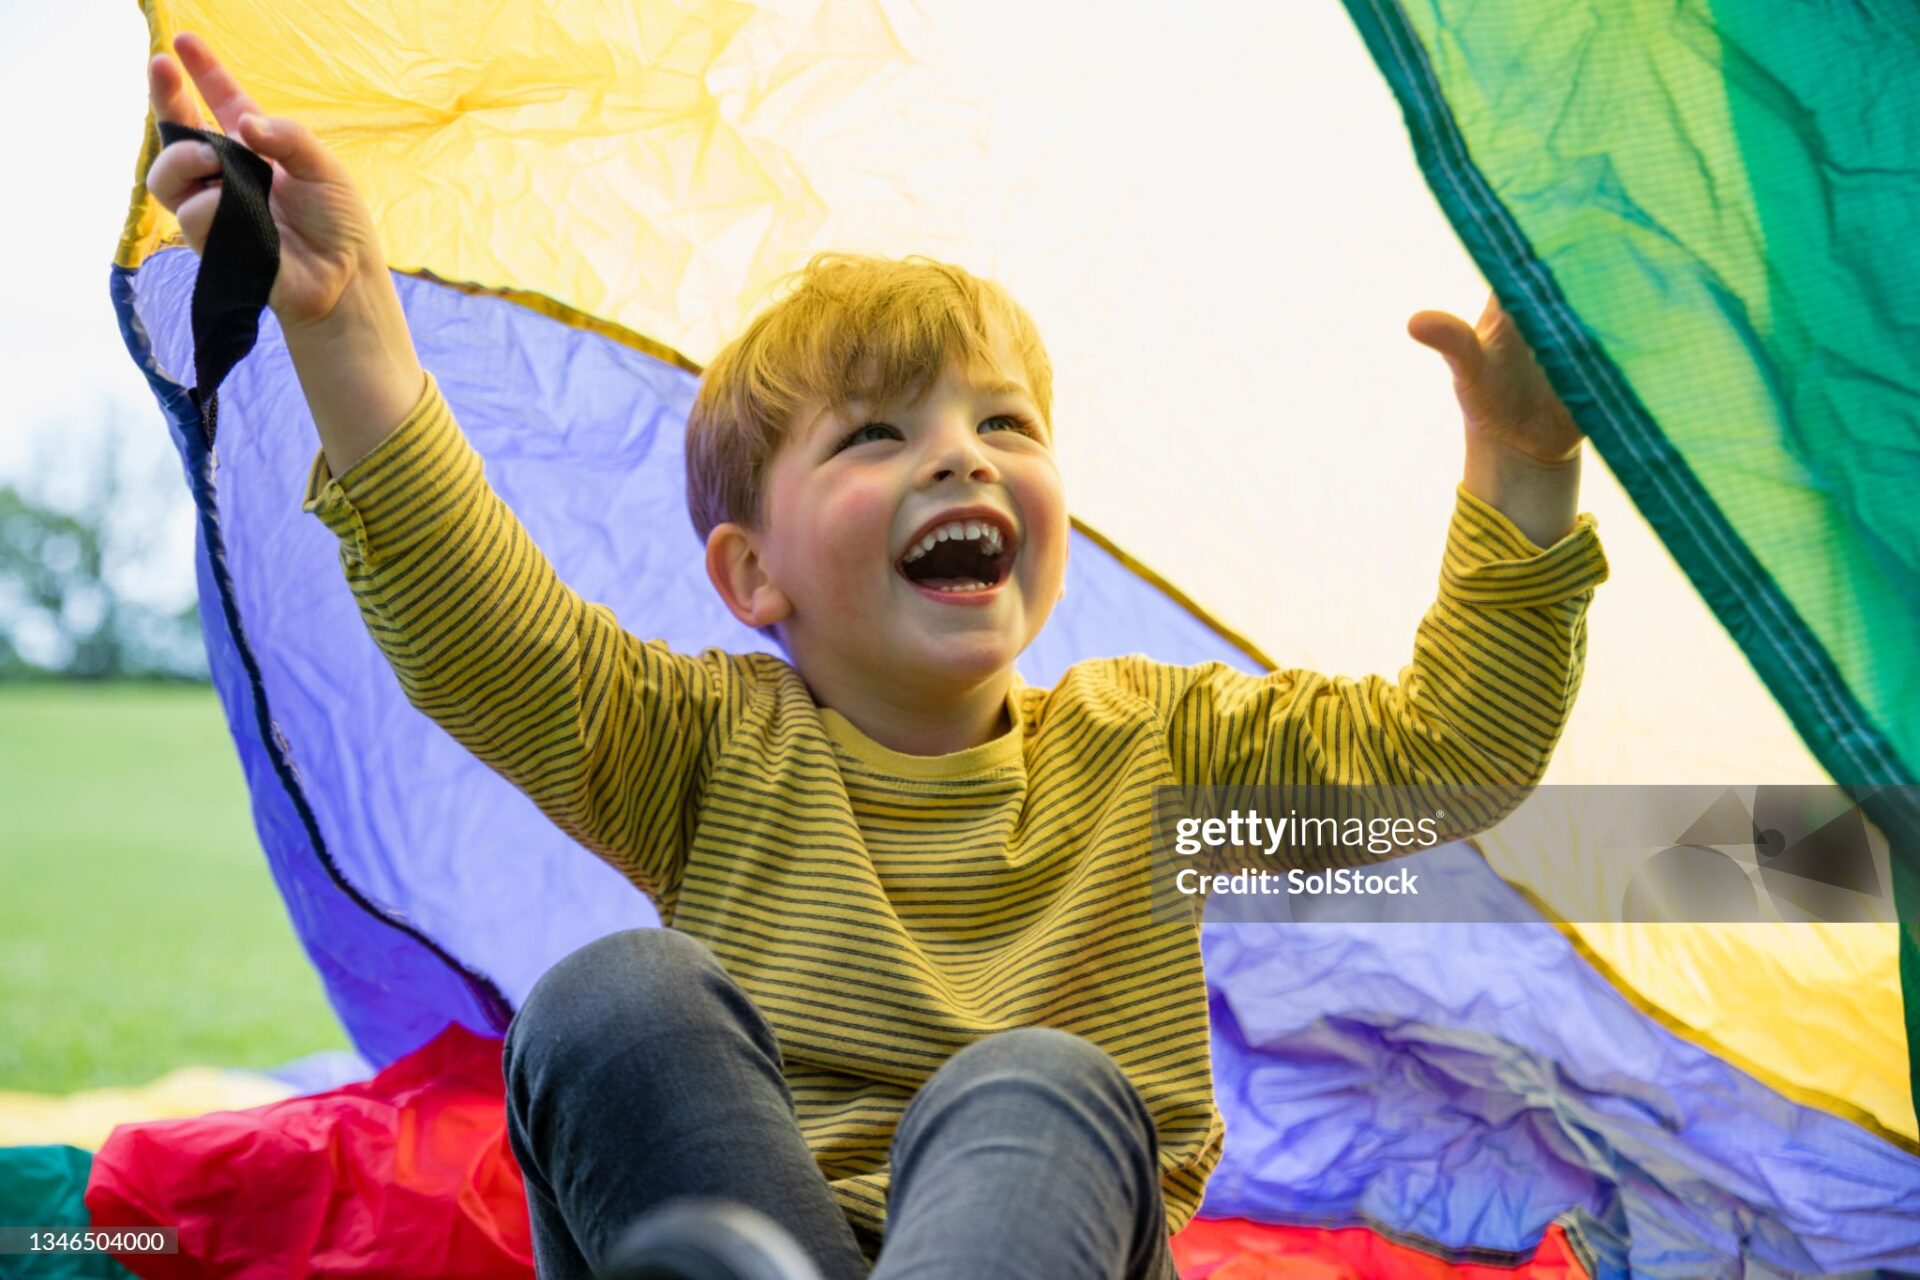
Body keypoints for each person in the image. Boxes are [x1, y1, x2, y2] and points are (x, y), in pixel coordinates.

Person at [146, 29, 1608, 1280]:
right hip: (755, 1230)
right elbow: (481, 624)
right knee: (609, 998)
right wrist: (346, 322)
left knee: (1037, 1081)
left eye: (1005, 426)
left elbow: (1444, 758)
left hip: (1043, 1230)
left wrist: (1526, 464)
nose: (960, 463)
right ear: (752, 572)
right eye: (877, 435)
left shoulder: (1161, 763)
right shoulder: (700, 753)